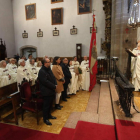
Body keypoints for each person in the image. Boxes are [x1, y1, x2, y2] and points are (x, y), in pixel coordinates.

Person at [38, 58, 57, 125]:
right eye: (48, 62)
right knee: (46, 106)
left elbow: (53, 77)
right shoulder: (42, 71)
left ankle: (49, 115)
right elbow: (45, 82)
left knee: (50, 104)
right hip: (46, 91)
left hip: (51, 90)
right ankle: (45, 119)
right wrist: (54, 86)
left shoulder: (48, 69)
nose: (50, 63)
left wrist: (55, 83)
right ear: (45, 63)